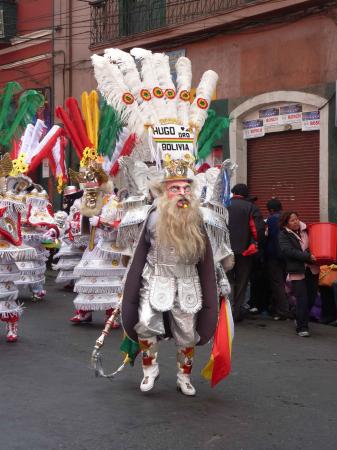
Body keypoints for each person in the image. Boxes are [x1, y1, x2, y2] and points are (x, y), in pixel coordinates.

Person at [227, 183, 264, 321]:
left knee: (228, 280)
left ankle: (226, 312)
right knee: (242, 282)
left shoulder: (224, 204)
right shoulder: (251, 207)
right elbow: (257, 230)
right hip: (245, 251)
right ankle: (236, 313)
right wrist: (257, 245)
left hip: (225, 251)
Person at [279, 211, 318, 337]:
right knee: (302, 299)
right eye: (292, 220)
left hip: (312, 269)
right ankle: (302, 327)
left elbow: (317, 244)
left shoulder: (308, 230)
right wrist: (308, 256)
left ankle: (297, 313)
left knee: (311, 298)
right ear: (286, 223)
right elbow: (288, 251)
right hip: (297, 270)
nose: (295, 222)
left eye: (296, 219)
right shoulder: (283, 235)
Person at [265, 198, 289, 320]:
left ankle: (282, 311)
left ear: (271, 210)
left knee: (277, 283)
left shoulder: (273, 219)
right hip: (285, 255)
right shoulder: (286, 217)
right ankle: (277, 308)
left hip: (275, 255)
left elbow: (273, 238)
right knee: (282, 282)